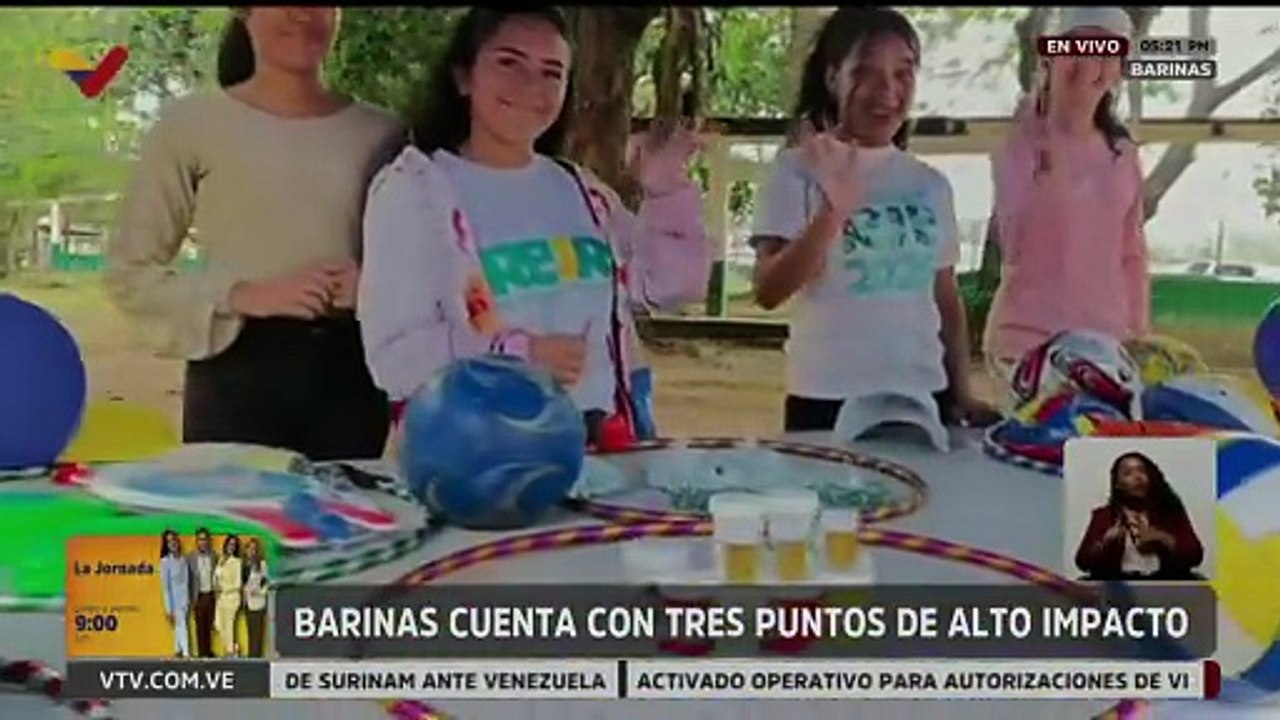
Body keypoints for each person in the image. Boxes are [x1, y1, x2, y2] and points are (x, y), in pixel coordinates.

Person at [358, 8, 709, 446]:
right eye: (509, 62)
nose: (531, 86)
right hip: (479, 466)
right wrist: (518, 354)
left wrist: (665, 191)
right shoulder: (416, 190)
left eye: (552, 72)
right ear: (464, 77)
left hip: (599, 459)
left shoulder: (581, 190)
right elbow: (395, 358)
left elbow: (673, 287)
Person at [104, 7, 405, 460]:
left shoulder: (385, 134)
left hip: (353, 380)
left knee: (351, 525)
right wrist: (241, 294)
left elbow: (429, 270)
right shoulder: (189, 125)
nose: (303, 14)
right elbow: (130, 272)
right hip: (235, 374)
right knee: (237, 527)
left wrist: (373, 289)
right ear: (244, 12)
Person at [748, 7, 996, 439]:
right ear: (833, 78)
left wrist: (962, 392)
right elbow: (769, 290)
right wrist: (834, 212)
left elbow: (945, 298)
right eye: (866, 72)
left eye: (903, 74)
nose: (888, 91)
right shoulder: (797, 171)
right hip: (828, 399)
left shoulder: (929, 184)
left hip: (921, 395)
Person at [982, 7, 1148, 387]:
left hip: (1107, 347)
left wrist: (1137, 336)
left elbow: (1131, 253)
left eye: (1107, 52)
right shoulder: (1020, 143)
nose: (1091, 62)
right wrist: (1049, 131)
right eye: (1077, 48)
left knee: (1106, 448)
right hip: (1027, 346)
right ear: (1049, 58)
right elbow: (1016, 233)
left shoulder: (1122, 154)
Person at [1075, 451, 1204, 581]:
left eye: (1142, 471)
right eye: (1127, 473)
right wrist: (1105, 543)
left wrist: (1164, 539)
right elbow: (1082, 562)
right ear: (1117, 484)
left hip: (1164, 584)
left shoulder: (1171, 511)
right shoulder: (1104, 516)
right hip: (1119, 587)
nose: (1137, 477)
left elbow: (1196, 557)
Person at [185, 527, 218, 658]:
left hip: (211, 595)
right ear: (196, 541)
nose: (203, 542)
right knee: (200, 627)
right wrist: (190, 600)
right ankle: (201, 656)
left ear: (208, 541)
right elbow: (188, 580)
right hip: (198, 596)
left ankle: (208, 653)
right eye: (200, 539)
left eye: (205, 539)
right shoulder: (190, 557)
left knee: (209, 627)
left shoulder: (214, 556)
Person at [158, 530, 191, 659]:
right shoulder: (165, 562)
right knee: (182, 627)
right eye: (169, 541)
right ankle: (187, 654)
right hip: (174, 602)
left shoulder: (183, 560)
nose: (172, 543)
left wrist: (188, 600)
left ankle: (177, 651)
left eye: (173, 540)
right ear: (166, 545)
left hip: (184, 601)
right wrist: (168, 609)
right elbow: (165, 587)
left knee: (179, 627)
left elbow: (186, 582)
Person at [213, 534, 244, 657]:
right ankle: (233, 648)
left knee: (229, 626)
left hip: (232, 598)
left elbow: (237, 584)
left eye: (233, 545)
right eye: (229, 544)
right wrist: (215, 586)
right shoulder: (220, 560)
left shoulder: (237, 562)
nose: (231, 547)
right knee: (219, 625)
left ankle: (230, 652)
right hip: (220, 599)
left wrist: (223, 589)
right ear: (225, 545)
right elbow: (216, 577)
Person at [241, 537, 270, 658]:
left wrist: (260, 592)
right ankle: (251, 657)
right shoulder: (244, 565)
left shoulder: (262, 564)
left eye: (254, 549)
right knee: (251, 632)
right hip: (247, 602)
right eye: (250, 548)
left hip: (258, 602)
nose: (252, 551)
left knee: (258, 633)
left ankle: (256, 658)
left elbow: (267, 582)